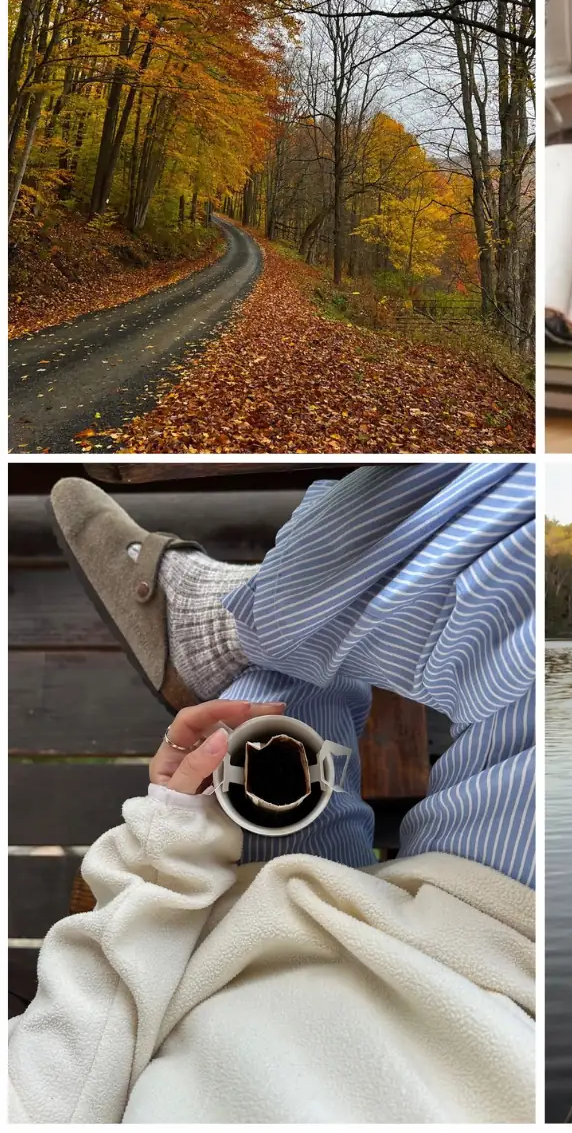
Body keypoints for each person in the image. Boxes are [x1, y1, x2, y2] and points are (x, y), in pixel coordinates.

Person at [9, 463, 535, 1124]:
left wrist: (167, 851)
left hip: (251, 942)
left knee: (266, 705)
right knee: (532, 534)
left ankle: (233, 634)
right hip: (507, 965)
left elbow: (44, 1086)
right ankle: (247, 624)